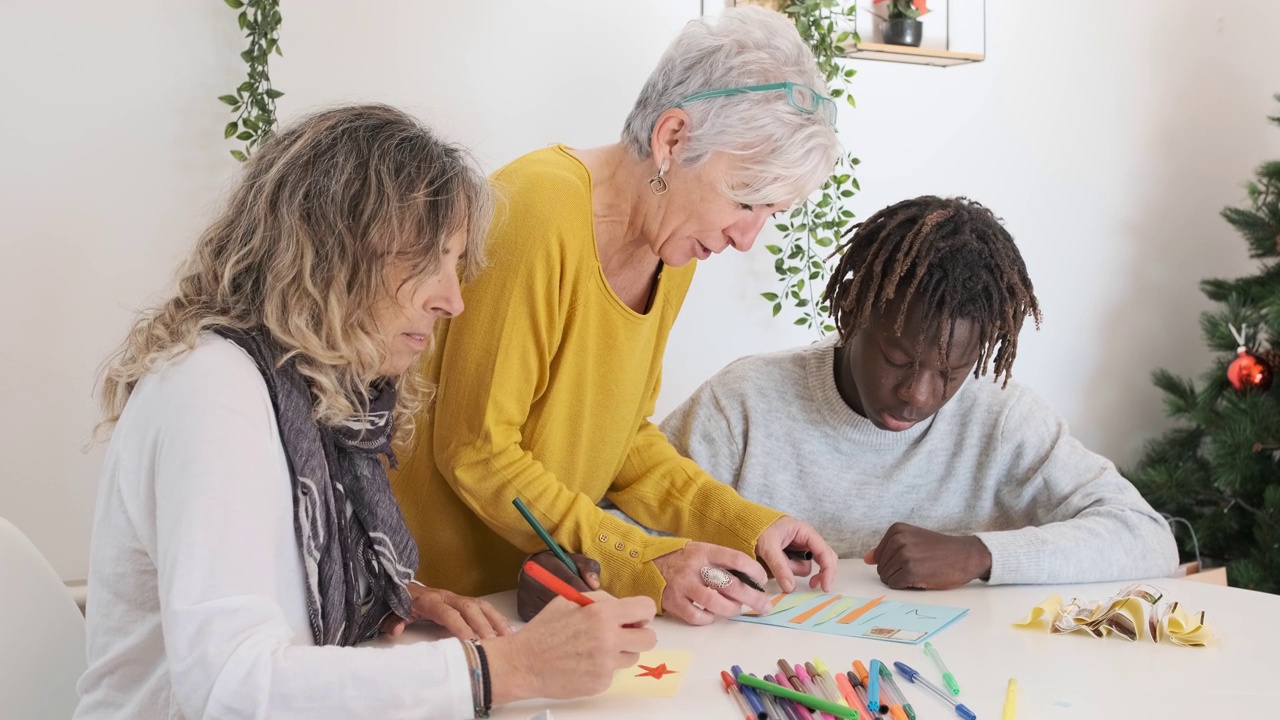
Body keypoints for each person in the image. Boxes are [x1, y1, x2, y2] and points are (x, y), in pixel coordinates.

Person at [75, 105, 657, 720]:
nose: (453, 300)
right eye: (429, 263)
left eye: (455, 265)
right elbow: (229, 687)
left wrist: (389, 596)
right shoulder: (212, 392)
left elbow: (275, 585)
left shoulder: (306, 389)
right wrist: (503, 670)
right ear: (333, 253)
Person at [390, 6, 842, 626]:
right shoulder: (538, 209)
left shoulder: (674, 249)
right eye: (744, 200)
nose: (747, 238)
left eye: (770, 211)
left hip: (542, 604)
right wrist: (639, 559)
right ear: (673, 139)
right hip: (440, 611)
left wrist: (748, 524)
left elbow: (623, 439)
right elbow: (477, 448)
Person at [661, 195, 1180, 591]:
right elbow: (610, 528)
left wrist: (980, 554)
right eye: (897, 360)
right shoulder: (744, 404)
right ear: (850, 310)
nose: (918, 394)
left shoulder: (999, 418)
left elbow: (1147, 538)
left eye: (950, 372)